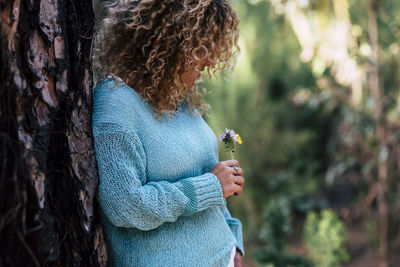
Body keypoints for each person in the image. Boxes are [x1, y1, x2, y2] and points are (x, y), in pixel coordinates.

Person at [92, 0, 245, 266]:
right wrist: (210, 186)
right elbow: (124, 205)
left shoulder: (179, 99)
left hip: (224, 256)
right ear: (169, 40)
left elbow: (213, 180)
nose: (210, 61)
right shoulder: (116, 103)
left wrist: (234, 240)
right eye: (202, 46)